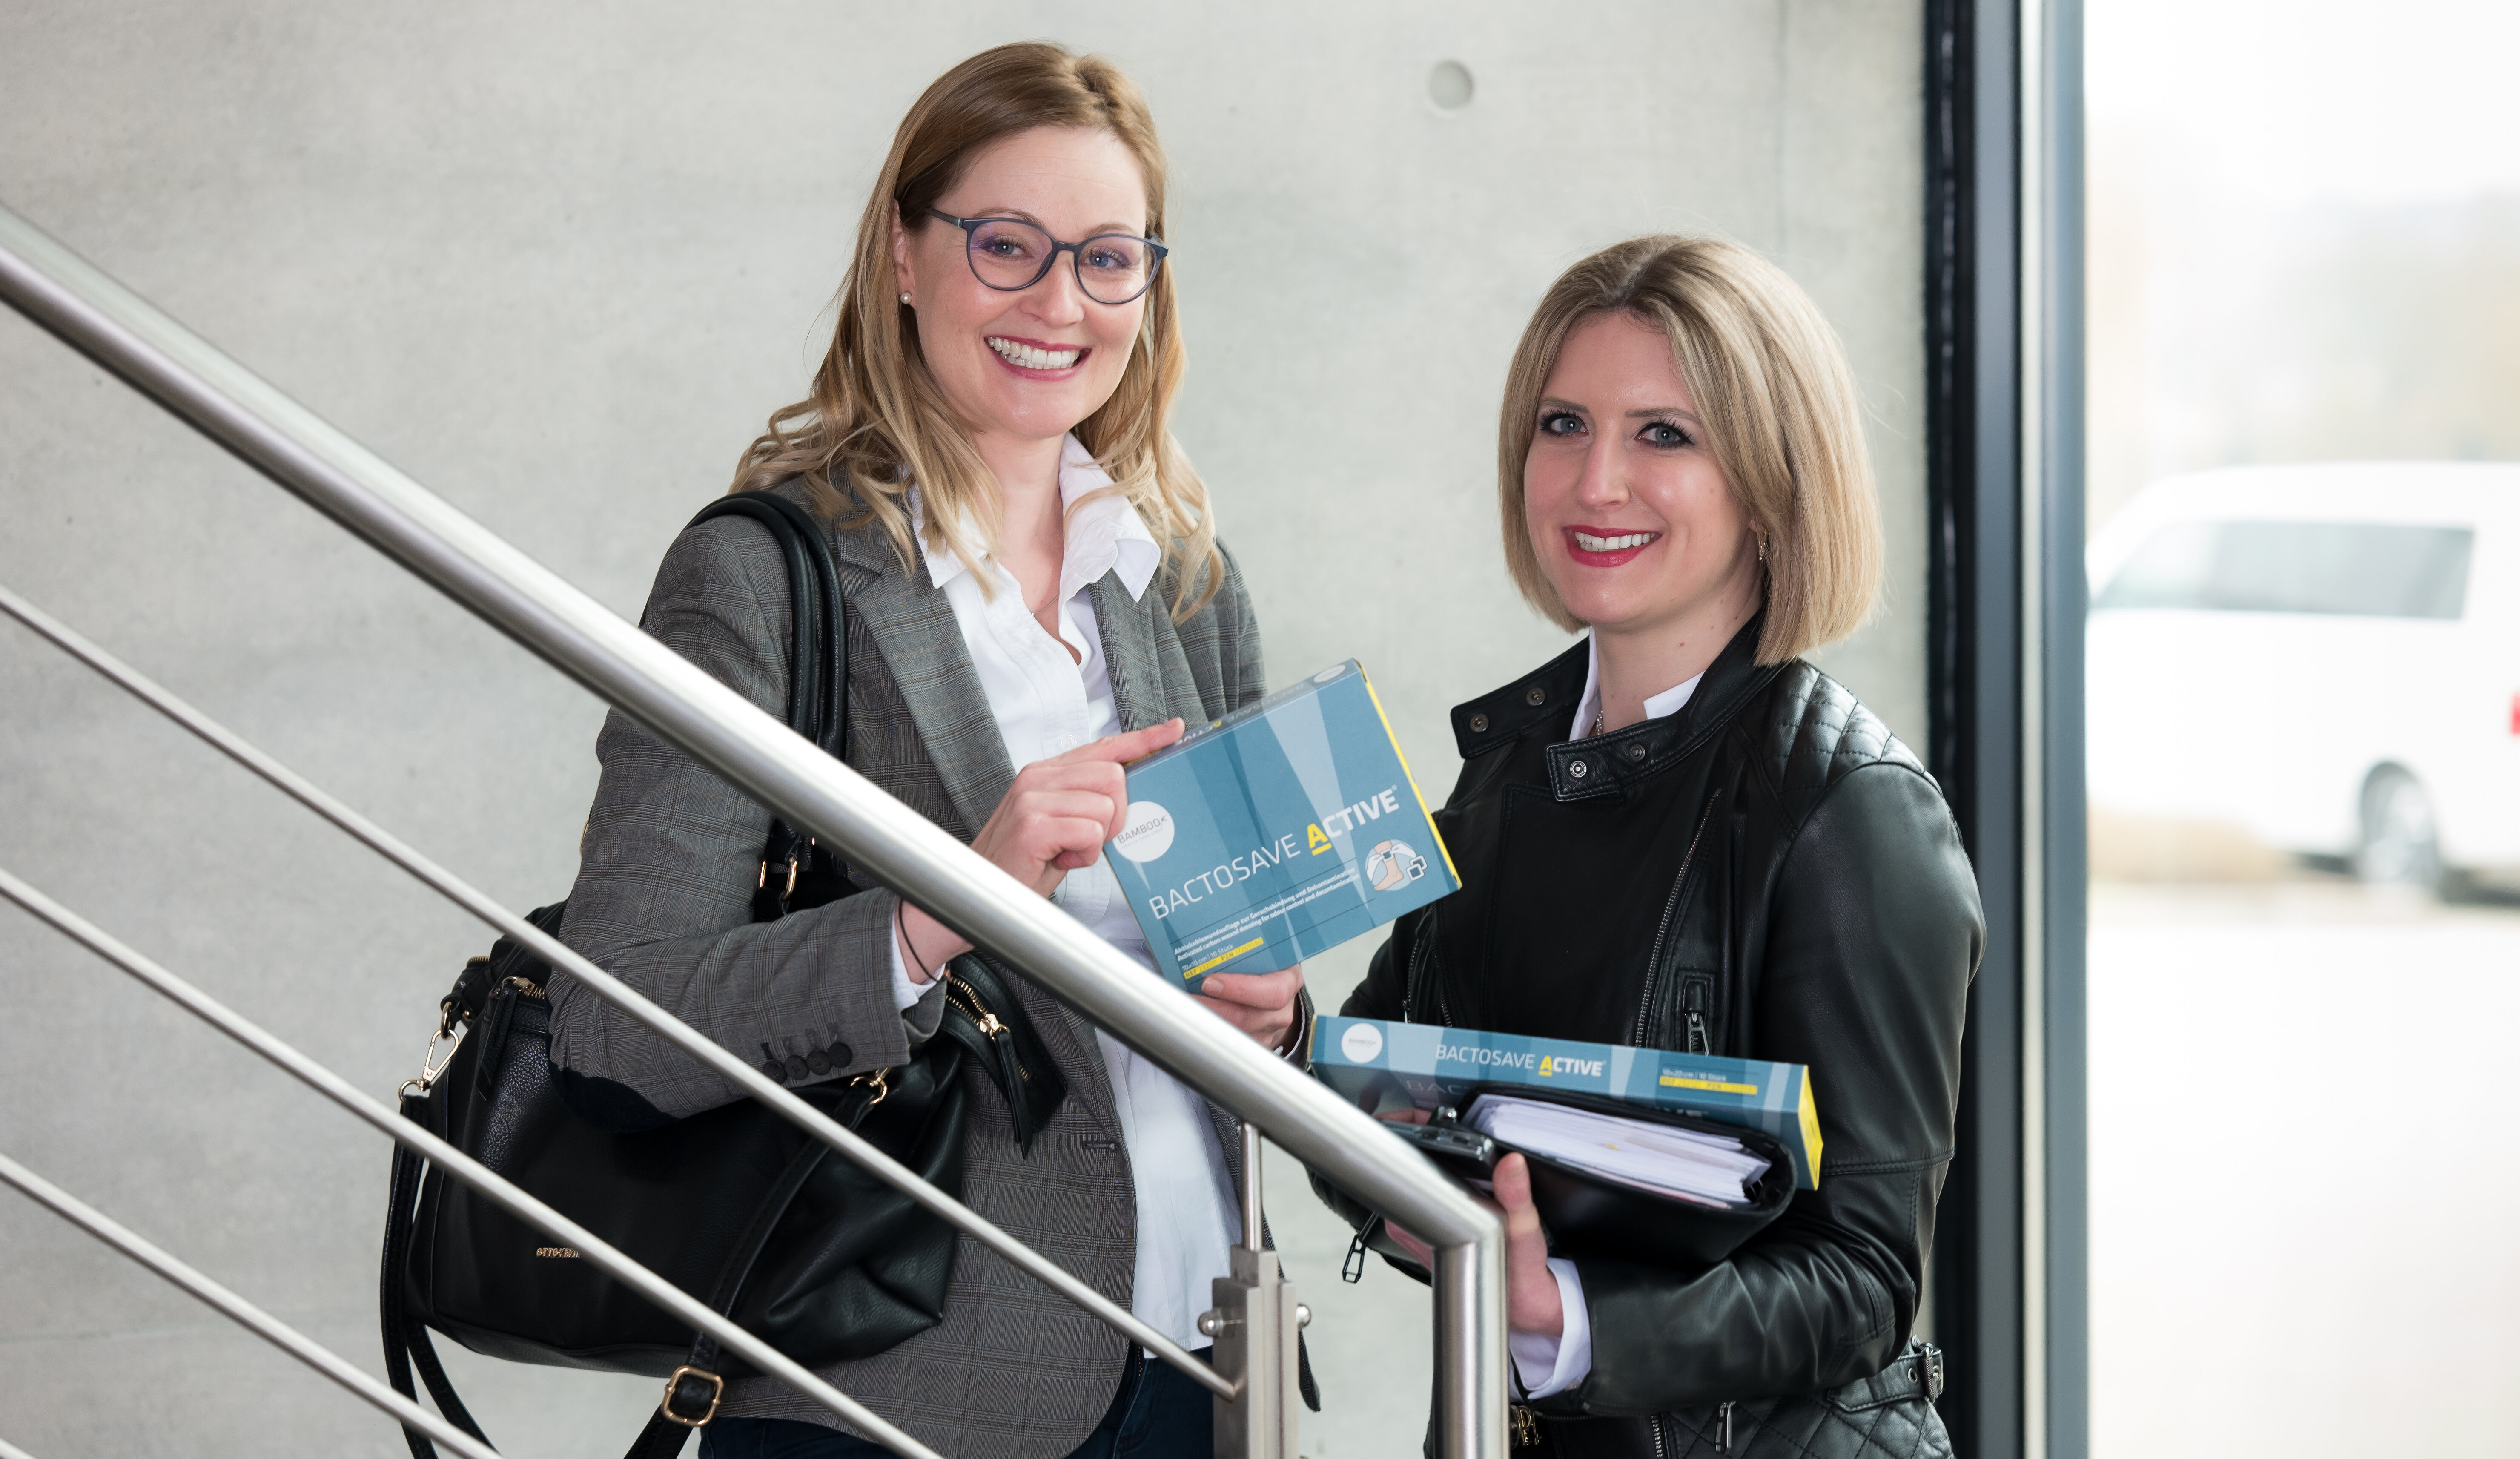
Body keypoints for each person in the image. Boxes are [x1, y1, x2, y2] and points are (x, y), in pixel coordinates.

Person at [544, 43, 1308, 1459]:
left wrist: (1277, 1016)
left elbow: (1252, 1004)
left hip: (1201, 1370)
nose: (1059, 304)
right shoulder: (764, 578)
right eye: (1006, 245)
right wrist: (941, 909)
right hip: (892, 1390)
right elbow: (611, 1024)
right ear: (903, 253)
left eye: (1108, 258)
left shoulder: (1185, 580)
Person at [1318, 236, 1983, 1456]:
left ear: (1772, 483)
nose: (1596, 482)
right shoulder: (1506, 765)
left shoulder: (1855, 809)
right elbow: (1382, 1089)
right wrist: (1286, 1053)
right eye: (1563, 424)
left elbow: (1864, 1278)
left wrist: (1566, 1318)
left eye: (1664, 435)